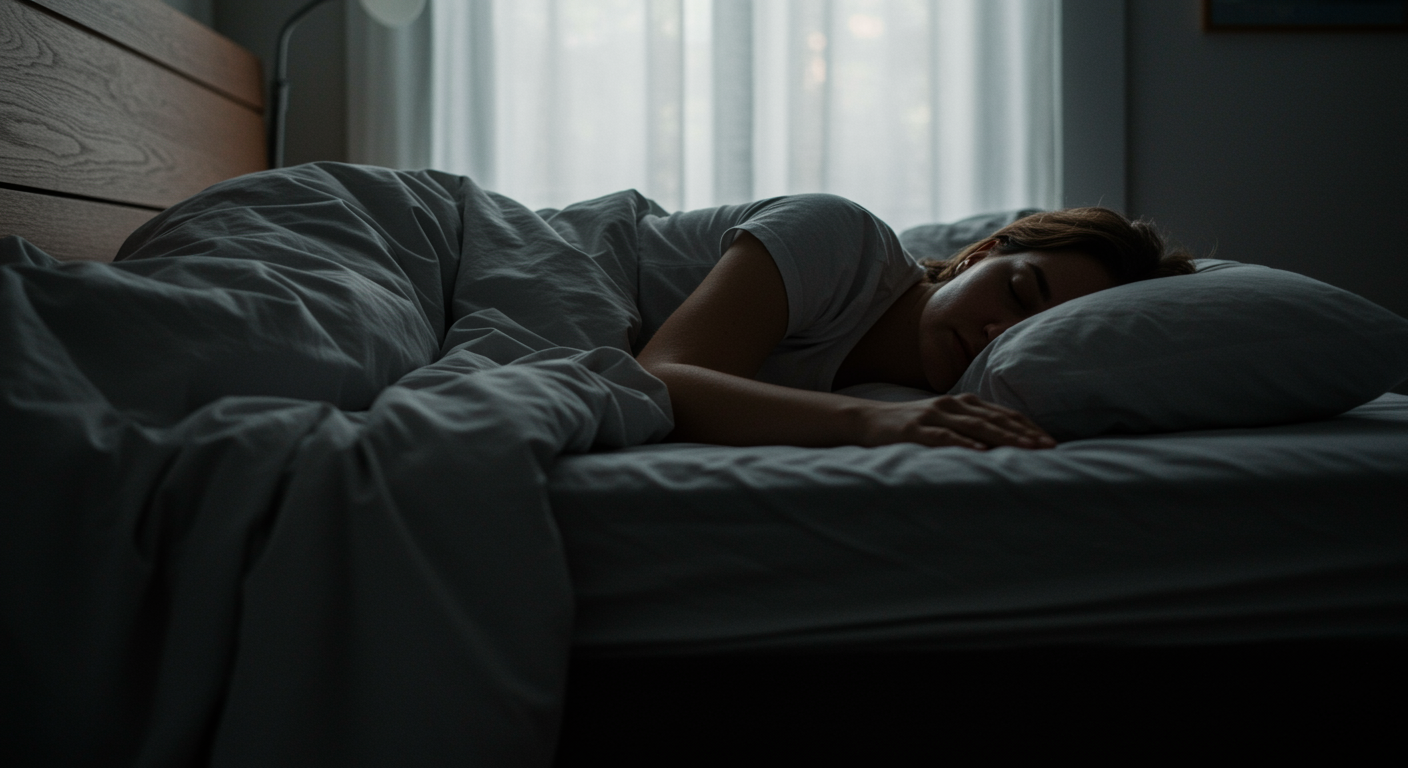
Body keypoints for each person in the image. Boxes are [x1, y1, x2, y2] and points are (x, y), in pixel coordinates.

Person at [634, 195, 1194, 450]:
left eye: (1034, 332)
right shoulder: (840, 239)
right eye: (1019, 291)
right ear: (981, 255)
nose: (999, 333)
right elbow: (660, 379)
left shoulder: (942, 398)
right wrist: (869, 422)